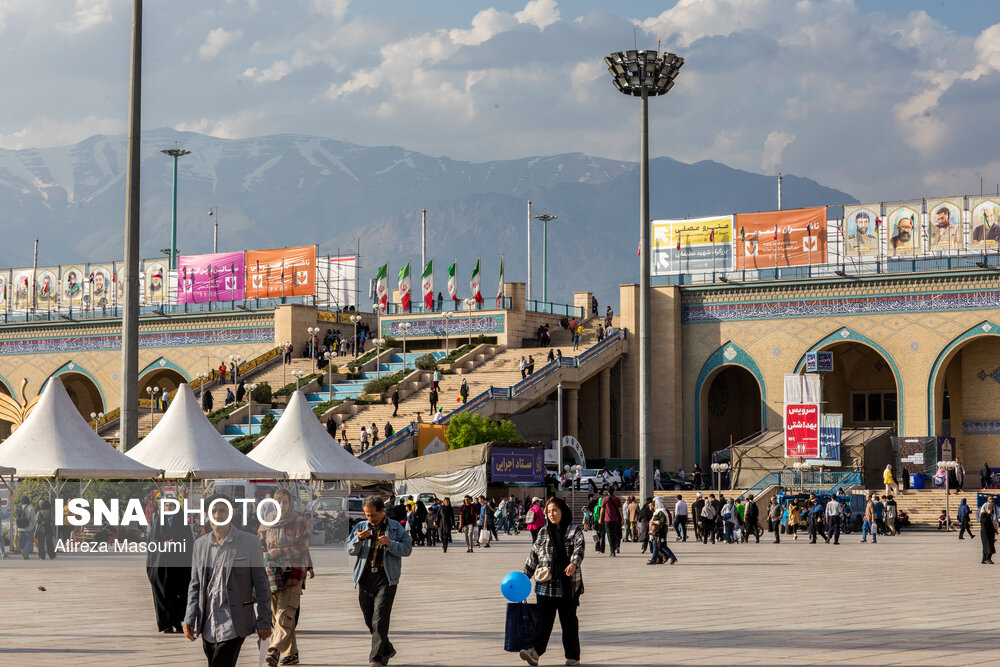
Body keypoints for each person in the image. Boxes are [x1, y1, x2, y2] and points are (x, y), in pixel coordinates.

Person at [183, 495, 272, 667]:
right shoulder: (200, 545)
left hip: (234, 622)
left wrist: (264, 620)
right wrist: (189, 617)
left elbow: (262, 585)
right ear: (207, 515)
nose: (218, 515)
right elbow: (195, 585)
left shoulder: (249, 542)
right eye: (213, 511)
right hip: (208, 622)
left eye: (222, 510)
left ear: (231, 513)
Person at [345, 496, 413, 667]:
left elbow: (407, 549)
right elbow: (349, 549)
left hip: (386, 578)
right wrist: (359, 539)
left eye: (373, 515)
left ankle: (376, 658)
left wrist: (391, 543)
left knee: (380, 619)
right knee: (369, 619)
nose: (370, 518)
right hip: (365, 577)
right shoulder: (361, 527)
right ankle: (387, 649)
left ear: (382, 510)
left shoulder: (395, 527)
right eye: (367, 515)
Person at [519, 496, 584, 667]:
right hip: (545, 586)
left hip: (567, 586)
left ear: (562, 510)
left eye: (555, 510)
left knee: (569, 623)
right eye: (549, 511)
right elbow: (533, 555)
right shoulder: (543, 531)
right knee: (542, 622)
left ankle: (573, 656)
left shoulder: (573, 530)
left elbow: (579, 548)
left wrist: (574, 563)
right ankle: (535, 652)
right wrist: (524, 576)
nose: (552, 514)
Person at [259, 489, 310, 667]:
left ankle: (274, 650)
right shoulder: (267, 521)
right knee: (277, 616)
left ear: (291, 503)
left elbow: (303, 546)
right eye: (278, 502)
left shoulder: (299, 520)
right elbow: (260, 544)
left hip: (293, 573)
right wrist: (265, 555)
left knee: (285, 613)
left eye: (285, 502)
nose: (282, 505)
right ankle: (291, 654)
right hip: (272, 573)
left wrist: (280, 552)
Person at [147, 503, 194, 633]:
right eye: (166, 506)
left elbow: (189, 543)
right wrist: (163, 544)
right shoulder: (158, 522)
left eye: (171, 506)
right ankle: (166, 624)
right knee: (163, 594)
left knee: (180, 594)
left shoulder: (182, 522)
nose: (168, 509)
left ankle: (178, 622)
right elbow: (151, 542)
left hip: (179, 565)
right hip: (161, 565)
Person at [648, 498, 677, 565]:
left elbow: (663, 521)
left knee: (660, 545)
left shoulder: (660, 511)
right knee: (657, 545)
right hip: (656, 531)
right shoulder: (658, 511)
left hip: (659, 530)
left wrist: (654, 522)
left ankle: (655, 559)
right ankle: (656, 559)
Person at [601, 489, 623, 557]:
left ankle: (612, 550)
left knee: (609, 535)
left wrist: (600, 518)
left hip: (607, 519)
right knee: (614, 533)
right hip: (615, 519)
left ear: (608, 492)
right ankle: (614, 548)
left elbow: (602, 510)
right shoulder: (617, 499)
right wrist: (622, 519)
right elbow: (620, 510)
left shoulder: (605, 499)